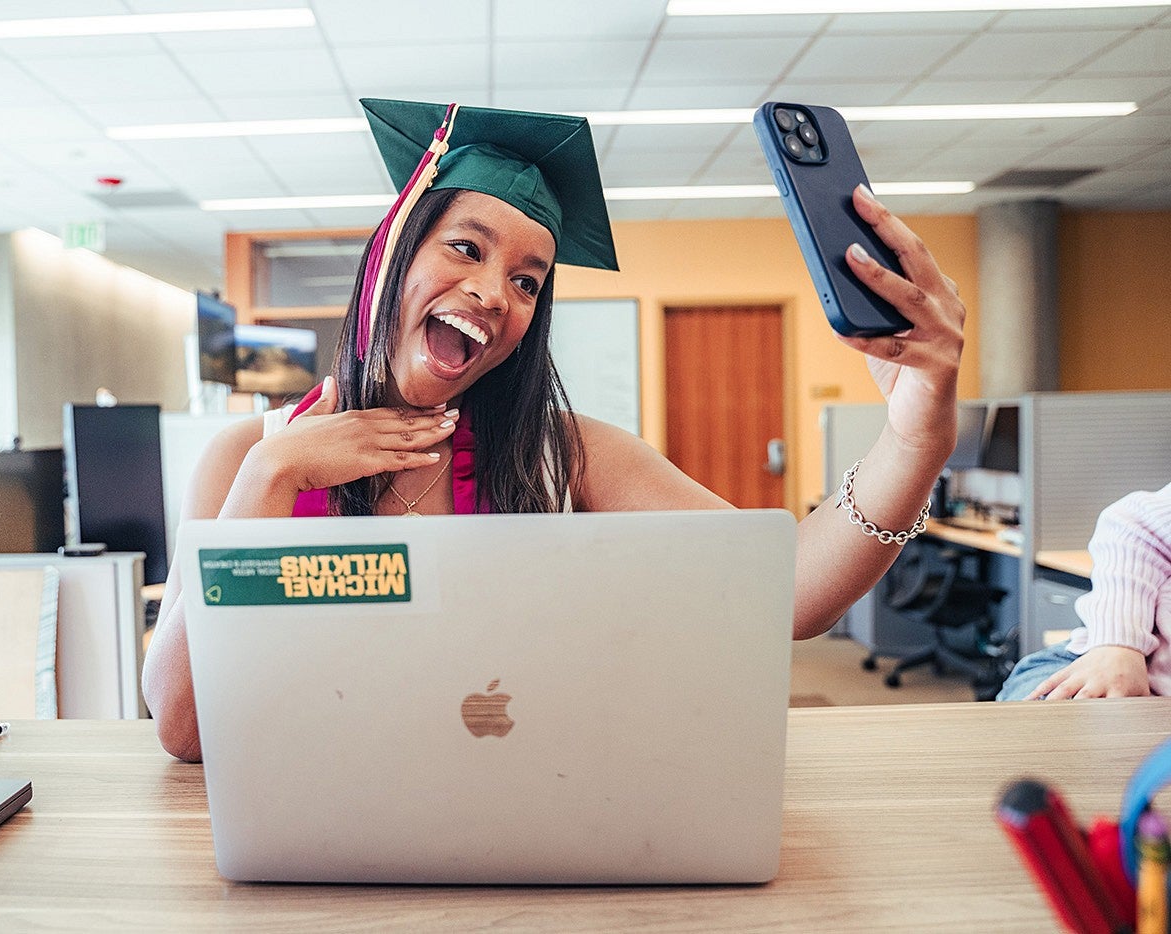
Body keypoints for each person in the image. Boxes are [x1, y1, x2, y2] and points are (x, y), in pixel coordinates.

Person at [143, 99, 967, 761]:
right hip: (318, 839)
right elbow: (182, 732)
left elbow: (784, 588)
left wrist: (914, 437)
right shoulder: (244, 459)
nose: (496, 293)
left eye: (528, 281)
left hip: (528, 820)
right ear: (390, 257)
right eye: (465, 248)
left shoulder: (560, 455)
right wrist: (268, 480)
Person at [997, 481, 1171, 701]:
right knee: (1032, 708)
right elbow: (1138, 524)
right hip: (1118, 663)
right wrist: (1120, 641)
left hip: (1156, 705)